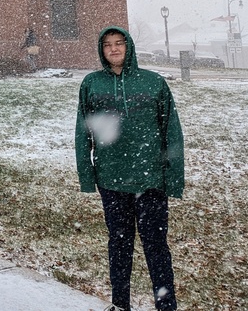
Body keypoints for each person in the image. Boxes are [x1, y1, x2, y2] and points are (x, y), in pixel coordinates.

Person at [75, 26, 184, 311]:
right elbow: (82, 131)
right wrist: (87, 175)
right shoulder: (92, 84)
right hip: (111, 180)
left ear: (129, 46)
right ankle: (120, 304)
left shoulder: (153, 82)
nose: (114, 49)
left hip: (150, 181)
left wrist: (173, 178)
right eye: (108, 44)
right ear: (101, 49)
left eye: (119, 43)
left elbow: (171, 131)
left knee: (156, 248)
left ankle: (166, 306)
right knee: (119, 246)